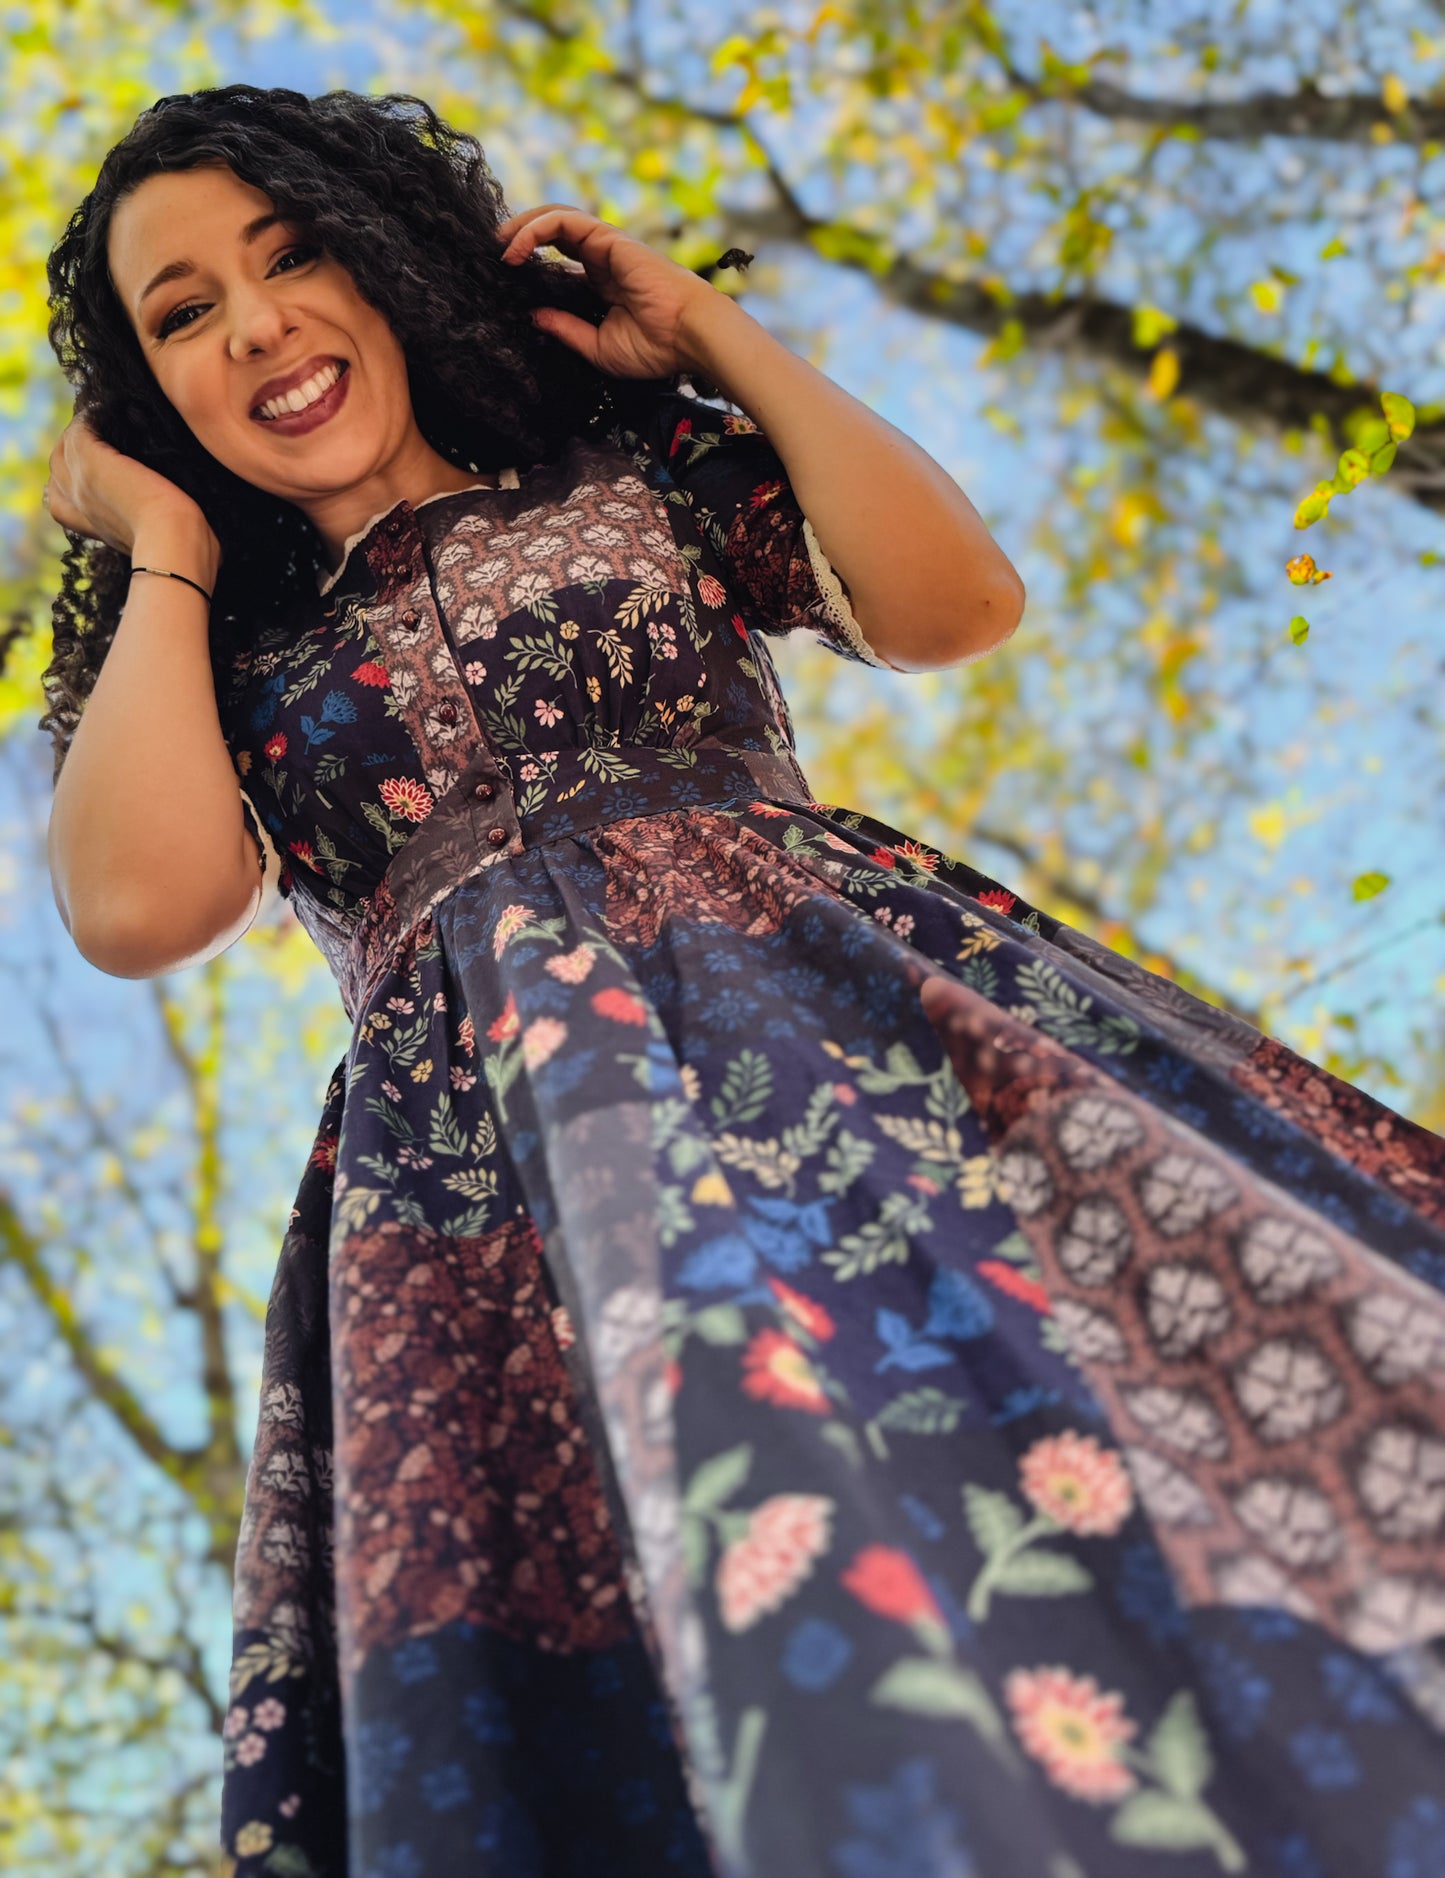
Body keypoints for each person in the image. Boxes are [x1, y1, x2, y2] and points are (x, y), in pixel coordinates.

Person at [35, 82, 1445, 1878]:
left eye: (292, 253)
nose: (257, 324)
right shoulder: (221, 651)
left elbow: (953, 605)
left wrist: (703, 329)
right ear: (153, 395)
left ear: (382, 262)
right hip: (502, 1179)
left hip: (848, 1013)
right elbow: (141, 902)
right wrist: (160, 542)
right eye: (181, 317)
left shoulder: (634, 467)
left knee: (1076, 1424)